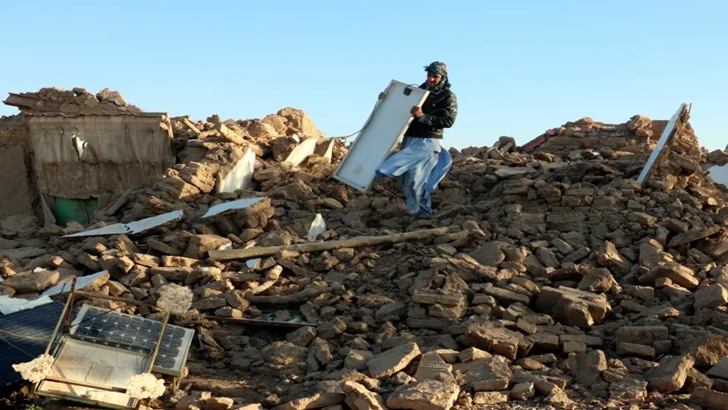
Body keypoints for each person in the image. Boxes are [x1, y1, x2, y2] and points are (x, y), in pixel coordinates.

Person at [375, 61, 458, 219]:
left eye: (435, 76)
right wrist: (385, 99)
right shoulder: (417, 92)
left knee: (417, 176)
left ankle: (384, 170)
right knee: (411, 179)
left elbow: (449, 121)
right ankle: (421, 212)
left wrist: (423, 117)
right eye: (429, 75)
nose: (431, 79)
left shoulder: (448, 96)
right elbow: (399, 108)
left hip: (429, 140)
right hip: (410, 137)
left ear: (443, 77)